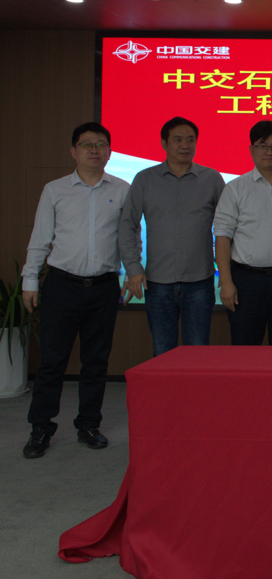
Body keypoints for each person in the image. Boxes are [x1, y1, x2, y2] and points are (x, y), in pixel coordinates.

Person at [20, 123, 131, 458]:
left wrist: (133, 272)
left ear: (109, 151)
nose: (94, 150)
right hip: (62, 286)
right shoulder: (55, 190)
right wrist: (29, 280)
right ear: (73, 151)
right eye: (86, 144)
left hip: (103, 287)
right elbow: (40, 238)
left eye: (101, 144)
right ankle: (41, 428)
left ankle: (88, 424)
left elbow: (128, 239)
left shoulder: (122, 190)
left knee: (95, 362)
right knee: (52, 362)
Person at [119, 117, 225, 356]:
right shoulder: (145, 179)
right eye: (178, 139)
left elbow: (228, 227)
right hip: (158, 282)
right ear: (164, 144)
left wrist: (227, 273)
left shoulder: (212, 179)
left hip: (200, 282)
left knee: (197, 352)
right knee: (162, 351)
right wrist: (133, 268)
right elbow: (127, 225)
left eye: (190, 140)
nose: (185, 145)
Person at [214, 121, 272, 346]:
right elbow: (223, 236)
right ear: (251, 149)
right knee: (245, 349)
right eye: (262, 145)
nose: (269, 151)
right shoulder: (235, 188)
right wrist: (226, 281)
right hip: (247, 282)